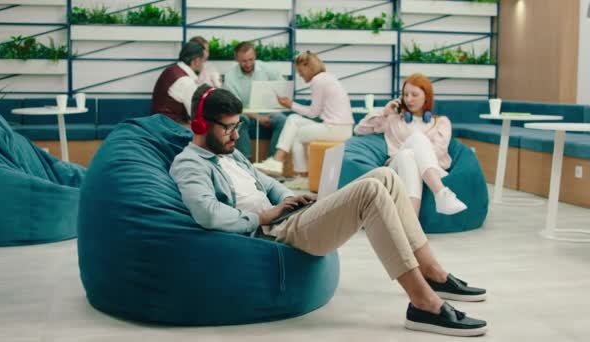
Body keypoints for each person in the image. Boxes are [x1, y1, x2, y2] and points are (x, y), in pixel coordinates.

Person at [169, 84, 488, 337]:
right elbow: (207, 213)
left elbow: (267, 184)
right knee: (371, 191)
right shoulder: (190, 164)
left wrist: (292, 198)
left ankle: (433, 272)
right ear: (200, 124)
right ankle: (423, 304)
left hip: (288, 216)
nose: (236, 136)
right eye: (228, 128)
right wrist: (263, 216)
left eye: (237, 126)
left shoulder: (231, 154)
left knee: (387, 176)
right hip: (274, 232)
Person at [354, 73, 467, 216]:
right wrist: (384, 112)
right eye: (405, 95)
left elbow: (439, 152)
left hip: (435, 169)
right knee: (410, 149)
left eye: (414, 94)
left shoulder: (441, 122)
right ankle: (441, 194)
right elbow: (359, 130)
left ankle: (411, 226)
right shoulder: (394, 119)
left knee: (410, 153)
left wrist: (418, 151)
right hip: (397, 167)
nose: (408, 99)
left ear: (426, 96)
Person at [253, 51, 354, 189]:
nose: (300, 75)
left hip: (335, 129)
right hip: (341, 128)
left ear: (308, 66)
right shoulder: (327, 78)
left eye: (301, 71)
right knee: (293, 119)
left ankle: (298, 175)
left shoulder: (318, 80)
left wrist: (290, 104)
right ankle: (278, 161)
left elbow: (313, 112)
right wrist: (291, 106)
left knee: (297, 135)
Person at [223, 41, 287, 160]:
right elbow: (235, 107)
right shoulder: (230, 77)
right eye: (244, 61)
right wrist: (258, 117)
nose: (248, 64)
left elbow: (282, 86)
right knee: (239, 120)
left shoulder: (266, 68)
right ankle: (245, 161)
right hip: (245, 113)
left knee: (282, 120)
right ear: (236, 59)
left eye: (251, 59)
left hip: (268, 111)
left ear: (255, 57)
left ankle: (272, 162)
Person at [150, 41, 205, 123]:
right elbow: (196, 114)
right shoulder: (186, 81)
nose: (203, 64)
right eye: (203, 60)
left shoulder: (171, 70)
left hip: (159, 124)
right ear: (196, 61)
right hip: (172, 128)